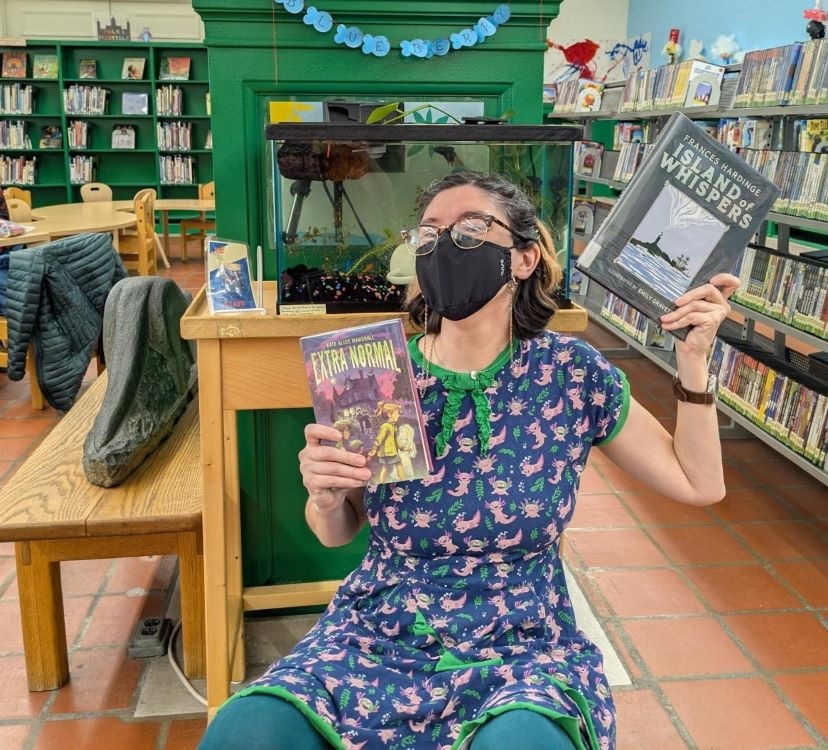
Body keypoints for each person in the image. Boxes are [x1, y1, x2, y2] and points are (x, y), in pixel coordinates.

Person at [198, 171, 737, 750]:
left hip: (524, 645)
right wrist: (325, 498)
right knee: (243, 732)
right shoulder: (371, 374)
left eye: (471, 230)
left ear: (524, 258)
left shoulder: (571, 373)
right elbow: (337, 532)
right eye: (428, 235)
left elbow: (697, 483)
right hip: (378, 630)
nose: (445, 247)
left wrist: (695, 361)